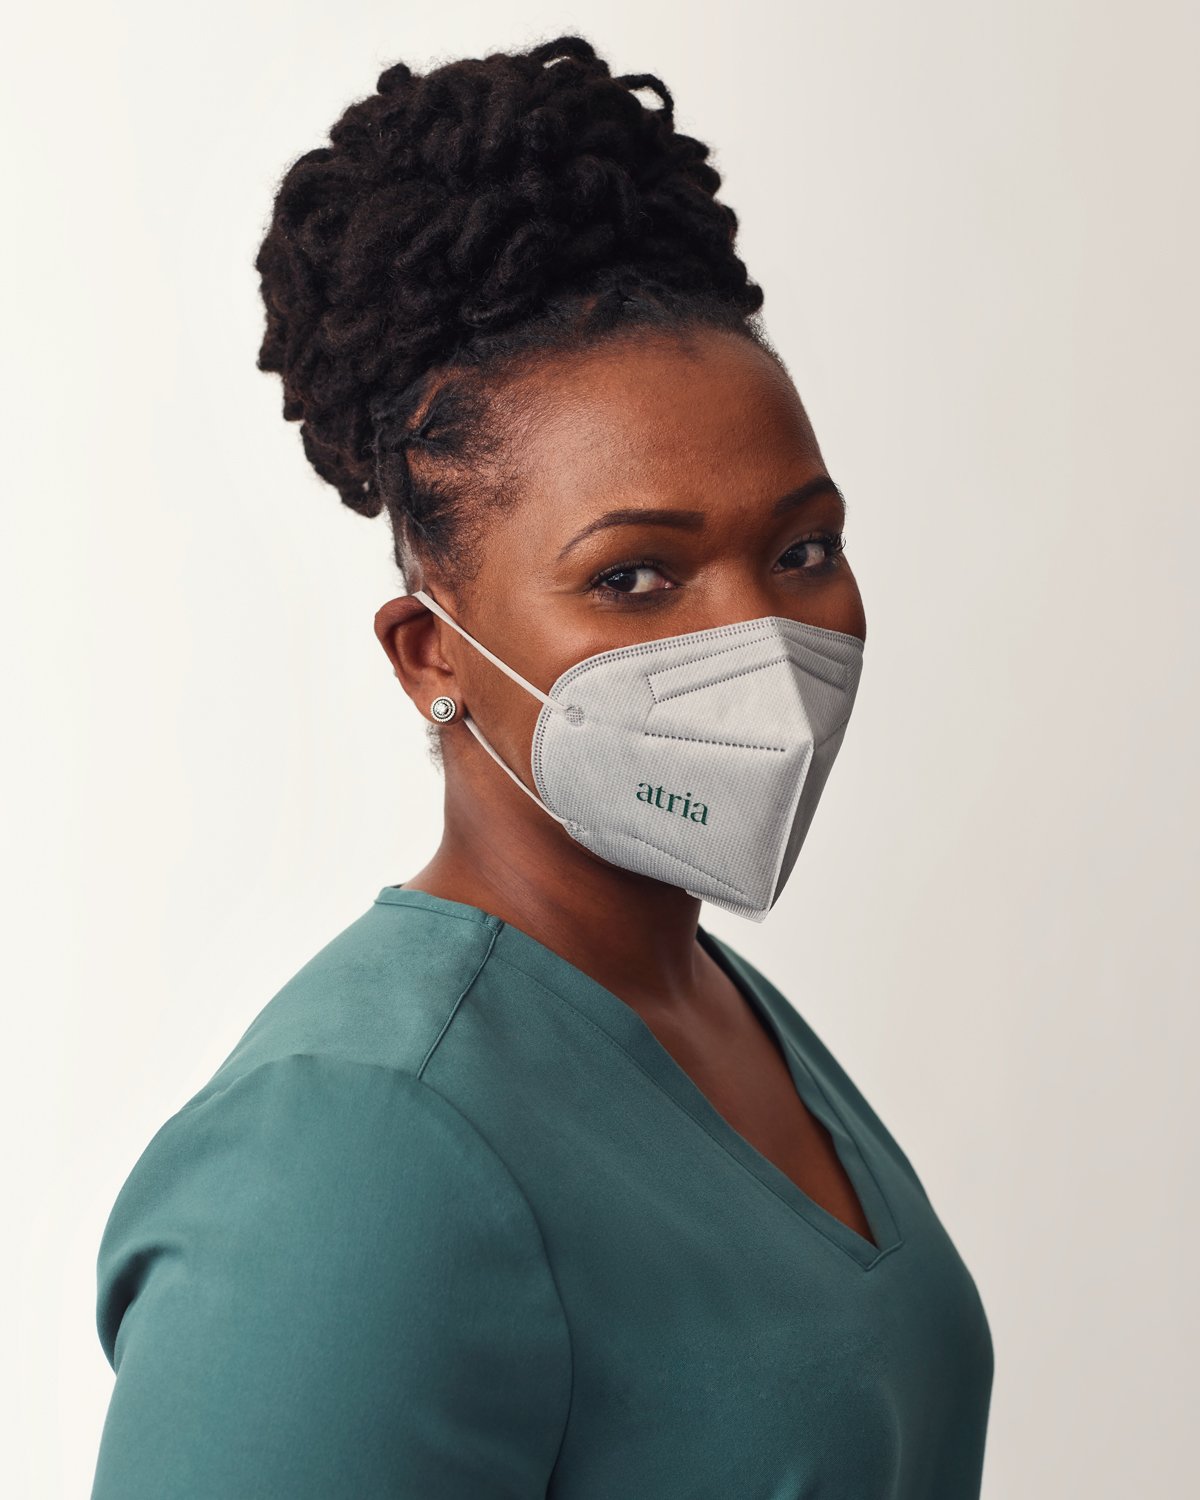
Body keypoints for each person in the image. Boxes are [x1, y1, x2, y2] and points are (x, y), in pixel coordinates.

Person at [89, 32, 994, 1499]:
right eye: (637, 578)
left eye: (803, 549)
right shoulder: (361, 1145)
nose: (759, 638)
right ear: (429, 654)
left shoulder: (704, 1006)